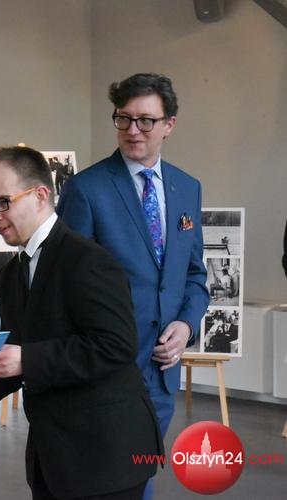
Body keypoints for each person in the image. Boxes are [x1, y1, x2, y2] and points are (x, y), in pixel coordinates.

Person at [0, 146, 161, 500]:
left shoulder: (90, 260)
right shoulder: (10, 274)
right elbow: (24, 348)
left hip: (106, 456)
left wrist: (25, 359)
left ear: (40, 196)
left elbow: (116, 346)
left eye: (3, 202)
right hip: (52, 458)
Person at [57, 73, 209, 440]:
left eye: (145, 121)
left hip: (162, 375)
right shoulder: (86, 189)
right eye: (123, 118)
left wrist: (186, 326)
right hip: (105, 374)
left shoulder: (187, 188)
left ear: (169, 125)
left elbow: (194, 275)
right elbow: (64, 282)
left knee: (144, 470)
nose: (132, 130)